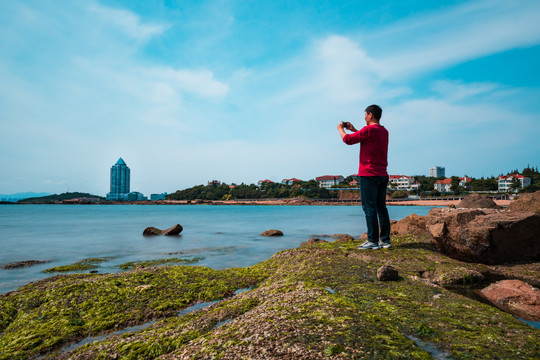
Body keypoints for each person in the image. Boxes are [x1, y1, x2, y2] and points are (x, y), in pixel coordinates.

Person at [337, 104, 391, 250]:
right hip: (382, 174)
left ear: (370, 115)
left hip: (368, 174)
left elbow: (348, 140)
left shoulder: (368, 130)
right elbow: (365, 137)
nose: (364, 117)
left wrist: (340, 129)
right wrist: (354, 129)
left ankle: (372, 240)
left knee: (369, 208)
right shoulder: (383, 131)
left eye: (365, 114)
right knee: (381, 208)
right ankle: (385, 240)